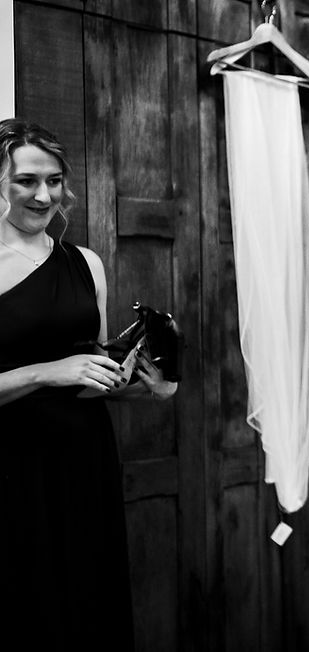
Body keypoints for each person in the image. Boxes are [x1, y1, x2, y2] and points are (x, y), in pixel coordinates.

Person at [0, 118, 177, 648]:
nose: (44, 194)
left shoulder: (85, 264)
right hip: (12, 470)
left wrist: (144, 385)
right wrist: (47, 371)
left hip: (82, 462)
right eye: (26, 181)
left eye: (54, 180)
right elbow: (61, 372)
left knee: (86, 607)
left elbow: (88, 375)